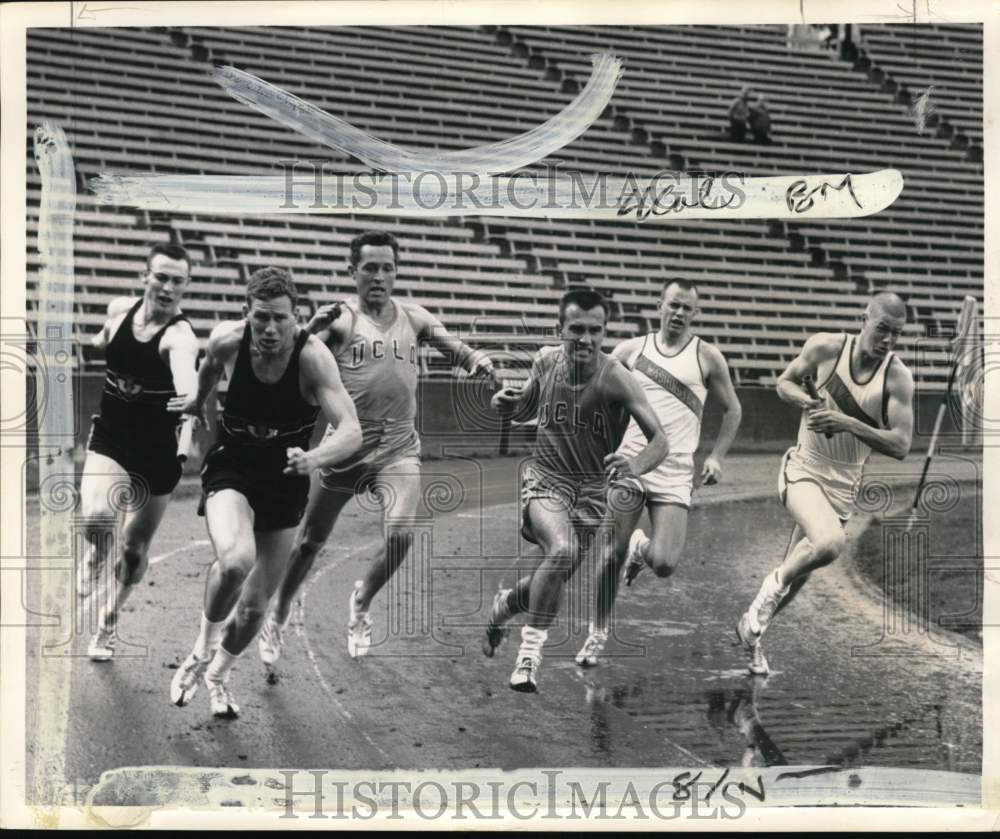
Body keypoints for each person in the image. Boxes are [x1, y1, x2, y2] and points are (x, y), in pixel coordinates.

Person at [258, 230, 498, 665]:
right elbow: (290, 366)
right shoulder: (340, 319)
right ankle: (277, 615)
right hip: (346, 447)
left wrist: (478, 362)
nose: (379, 276)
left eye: (387, 267)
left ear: (396, 271)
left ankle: (361, 601)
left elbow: (456, 348)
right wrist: (309, 331)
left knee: (402, 532)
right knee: (310, 542)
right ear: (352, 271)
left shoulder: (415, 317)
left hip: (398, 449)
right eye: (369, 267)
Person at [169, 268, 362, 717]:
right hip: (232, 467)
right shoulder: (226, 341)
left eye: (280, 319)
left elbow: (351, 430)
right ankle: (200, 652)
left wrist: (314, 458)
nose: (270, 329)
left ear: (297, 318)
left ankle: (219, 674)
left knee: (254, 611)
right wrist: (197, 403)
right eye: (261, 319)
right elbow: (209, 370)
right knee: (236, 560)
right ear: (247, 314)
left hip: (285, 478)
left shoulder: (312, 358)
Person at [482, 289, 668, 693]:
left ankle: (505, 606)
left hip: (590, 493)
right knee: (562, 552)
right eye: (576, 330)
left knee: (551, 578)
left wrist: (633, 466)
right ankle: (529, 658)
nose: (585, 340)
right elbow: (527, 407)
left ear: (605, 332)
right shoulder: (546, 361)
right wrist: (506, 404)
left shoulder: (617, 378)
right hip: (545, 479)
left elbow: (659, 440)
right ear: (559, 329)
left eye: (595, 331)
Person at [735, 292, 914, 675]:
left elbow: (901, 444)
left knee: (797, 571)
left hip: (843, 487)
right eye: (882, 329)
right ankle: (762, 598)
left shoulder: (897, 377)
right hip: (803, 468)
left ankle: (752, 633)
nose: (887, 341)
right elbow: (784, 383)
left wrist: (846, 421)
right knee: (830, 544)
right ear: (863, 318)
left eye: (896, 334)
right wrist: (807, 402)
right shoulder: (825, 347)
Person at [575, 280, 743, 667]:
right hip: (631, 462)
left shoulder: (708, 357)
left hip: (675, 471)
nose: (680, 313)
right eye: (674, 305)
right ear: (659, 306)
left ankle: (642, 547)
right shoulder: (631, 350)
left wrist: (716, 457)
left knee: (665, 563)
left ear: (695, 313)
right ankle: (598, 632)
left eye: (687, 307)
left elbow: (733, 409)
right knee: (610, 552)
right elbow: (595, 398)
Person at [79, 243, 199, 661]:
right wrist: (95, 344)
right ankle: (95, 553)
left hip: (157, 453)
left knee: (133, 549)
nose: (167, 287)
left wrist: (189, 397)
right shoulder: (118, 312)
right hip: (112, 436)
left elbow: (187, 376)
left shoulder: (180, 338)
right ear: (144, 276)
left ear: (186, 286)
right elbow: (103, 339)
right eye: (160, 277)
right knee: (96, 516)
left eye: (177, 281)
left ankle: (108, 623)